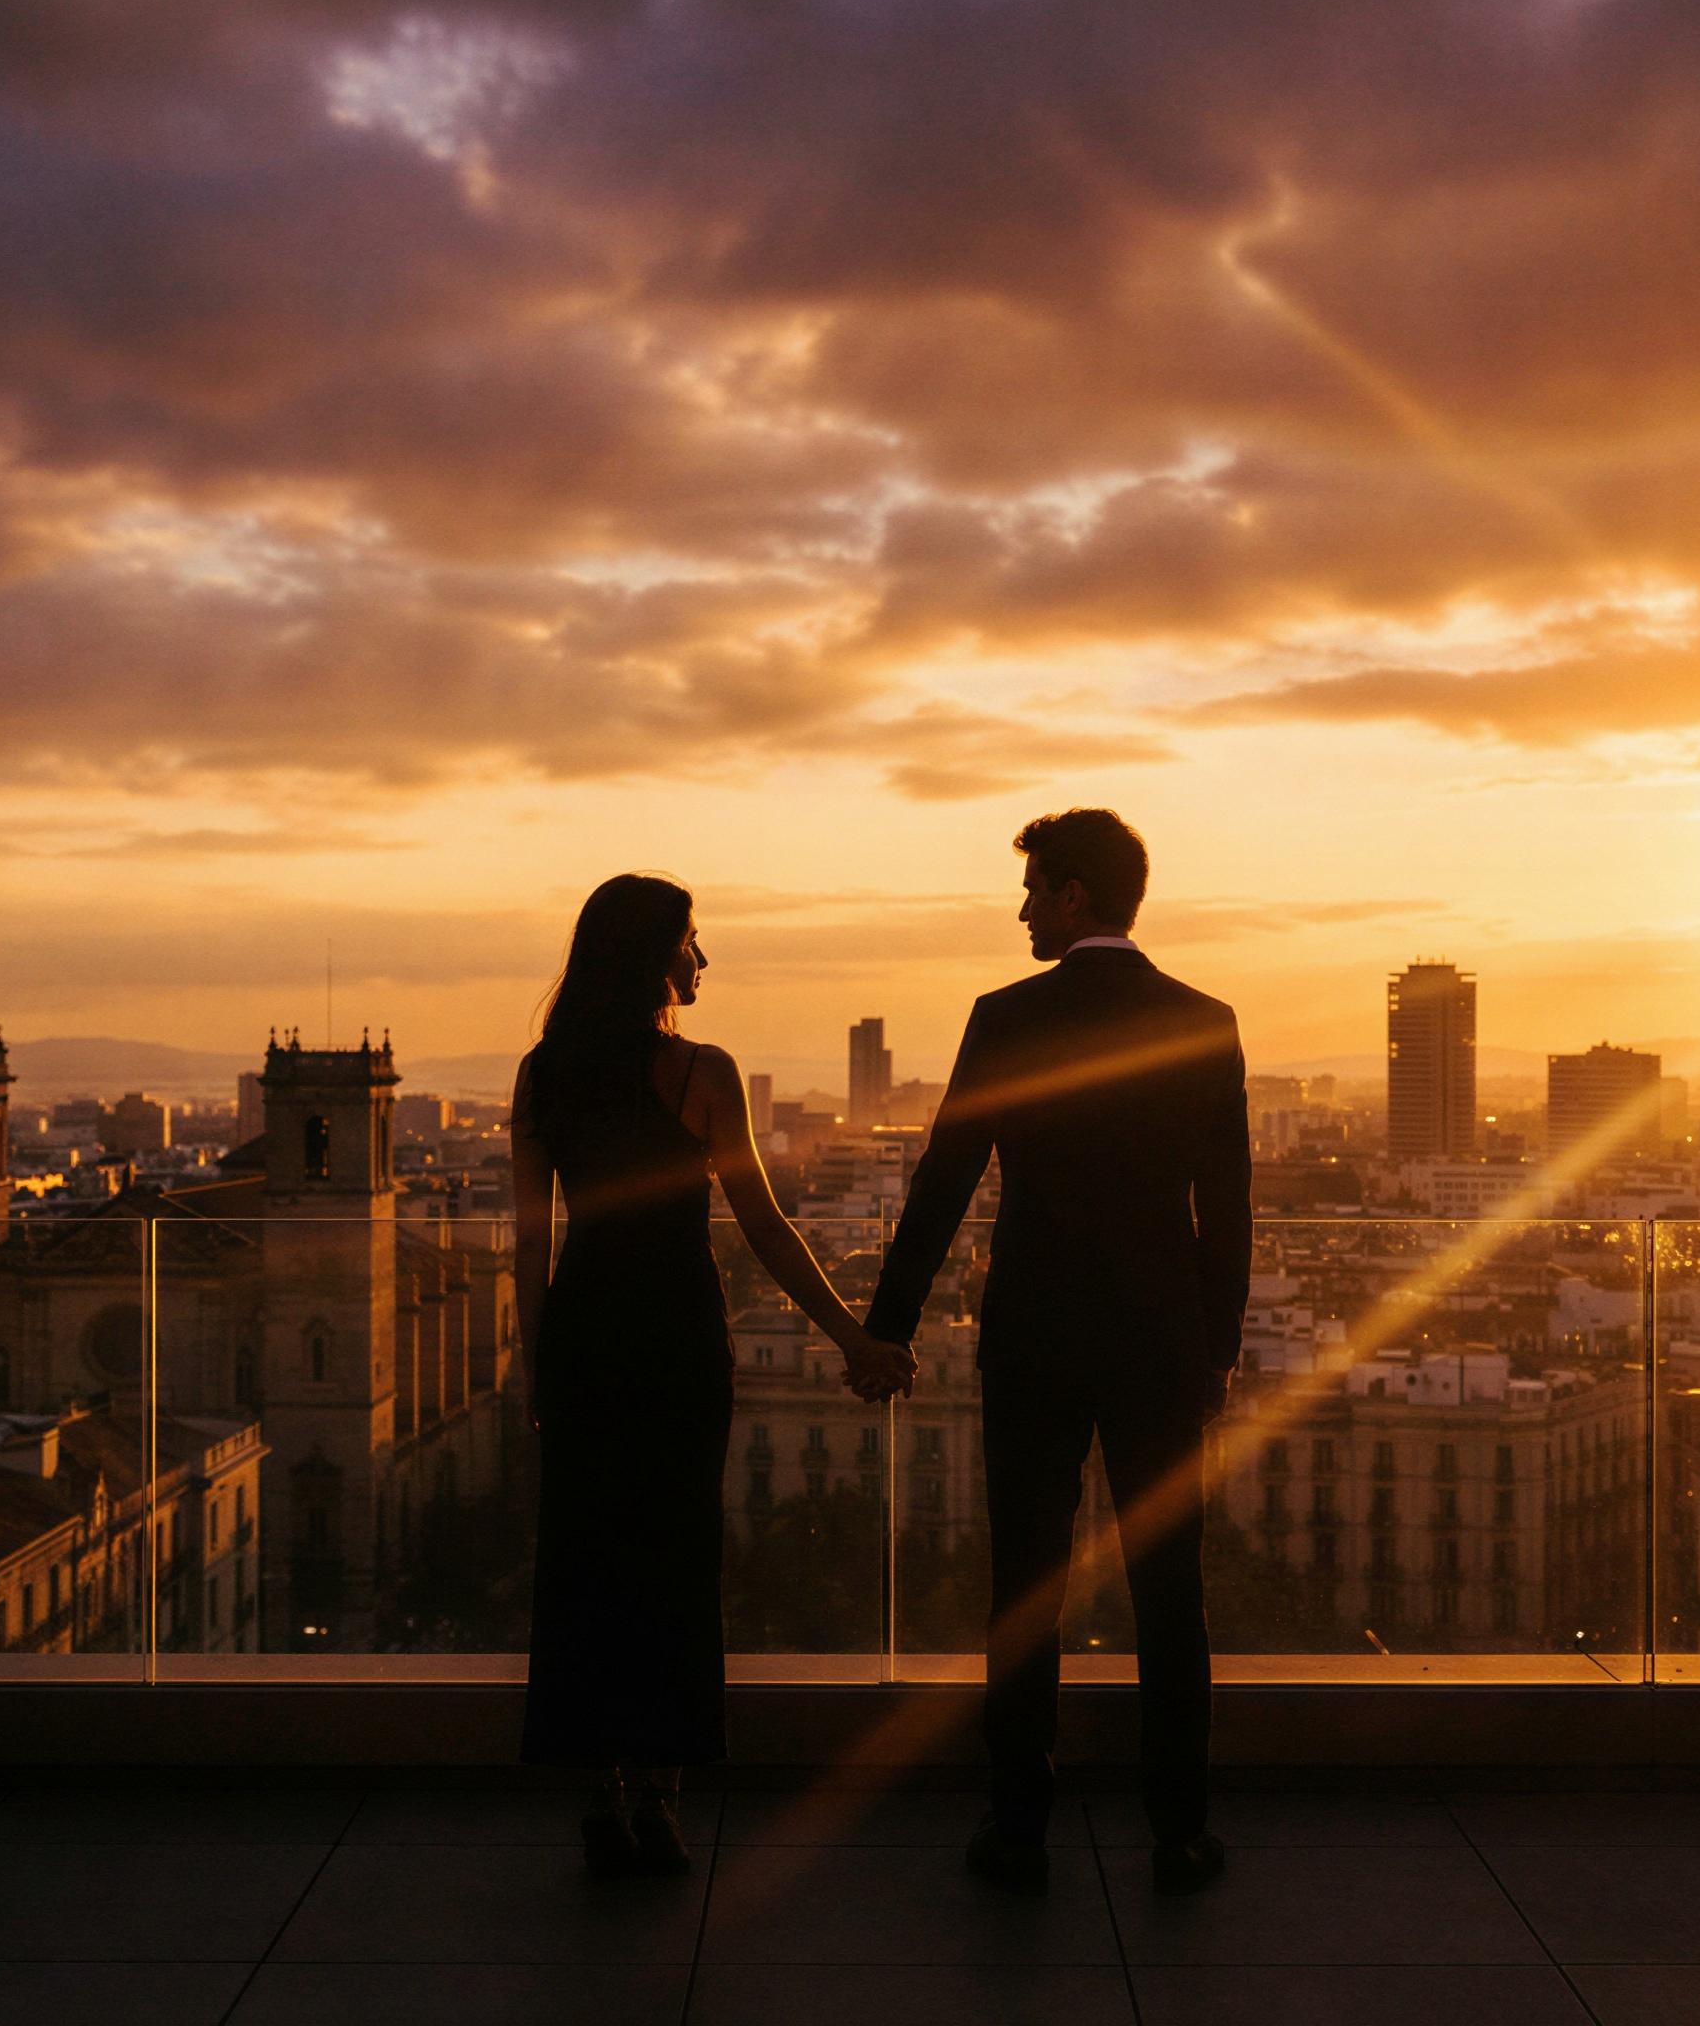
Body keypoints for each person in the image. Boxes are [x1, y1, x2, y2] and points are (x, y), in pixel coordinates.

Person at [864, 810, 1251, 1895]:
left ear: (1074, 895)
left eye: (1034, 888)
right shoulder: (1203, 1020)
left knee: (1024, 1579)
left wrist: (886, 1327)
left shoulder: (1006, 1016)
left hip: (1033, 1332)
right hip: (1159, 1338)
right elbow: (1226, 1207)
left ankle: (1019, 1825)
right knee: (1171, 1588)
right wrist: (1213, 1344)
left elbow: (944, 1180)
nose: (1024, 906)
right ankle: (1177, 1828)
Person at [512, 874, 915, 1877]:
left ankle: (597, 1793)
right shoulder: (701, 1070)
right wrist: (849, 1336)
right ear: (655, 955)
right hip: (677, 1335)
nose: (704, 958)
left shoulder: (541, 1072)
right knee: (674, 1560)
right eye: (692, 941)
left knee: (584, 1565)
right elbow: (765, 1224)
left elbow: (528, 1243)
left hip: (586, 1335)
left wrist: (536, 1368)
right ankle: (660, 1791)